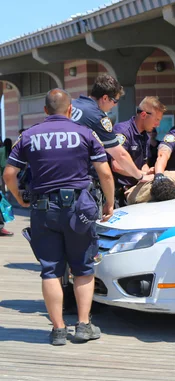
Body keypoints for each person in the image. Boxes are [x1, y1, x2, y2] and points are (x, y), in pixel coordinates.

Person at [2, 89, 115, 345]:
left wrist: (20, 199)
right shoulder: (85, 133)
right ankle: (84, 325)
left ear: (45, 110)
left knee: (50, 270)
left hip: (43, 209)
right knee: (83, 268)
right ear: (69, 109)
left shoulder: (29, 135)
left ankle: (58, 330)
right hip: (79, 209)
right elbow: (105, 173)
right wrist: (109, 202)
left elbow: (9, 174)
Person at [71, 74, 152, 184]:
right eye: (115, 101)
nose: (114, 105)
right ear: (105, 98)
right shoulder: (98, 117)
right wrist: (140, 177)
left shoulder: (71, 104)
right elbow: (120, 154)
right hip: (78, 177)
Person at [110, 96, 166, 206]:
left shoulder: (145, 135)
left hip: (134, 193)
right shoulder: (123, 131)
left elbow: (143, 163)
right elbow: (116, 165)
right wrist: (142, 175)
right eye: (157, 120)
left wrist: (148, 171)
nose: (158, 125)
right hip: (118, 196)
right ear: (144, 115)